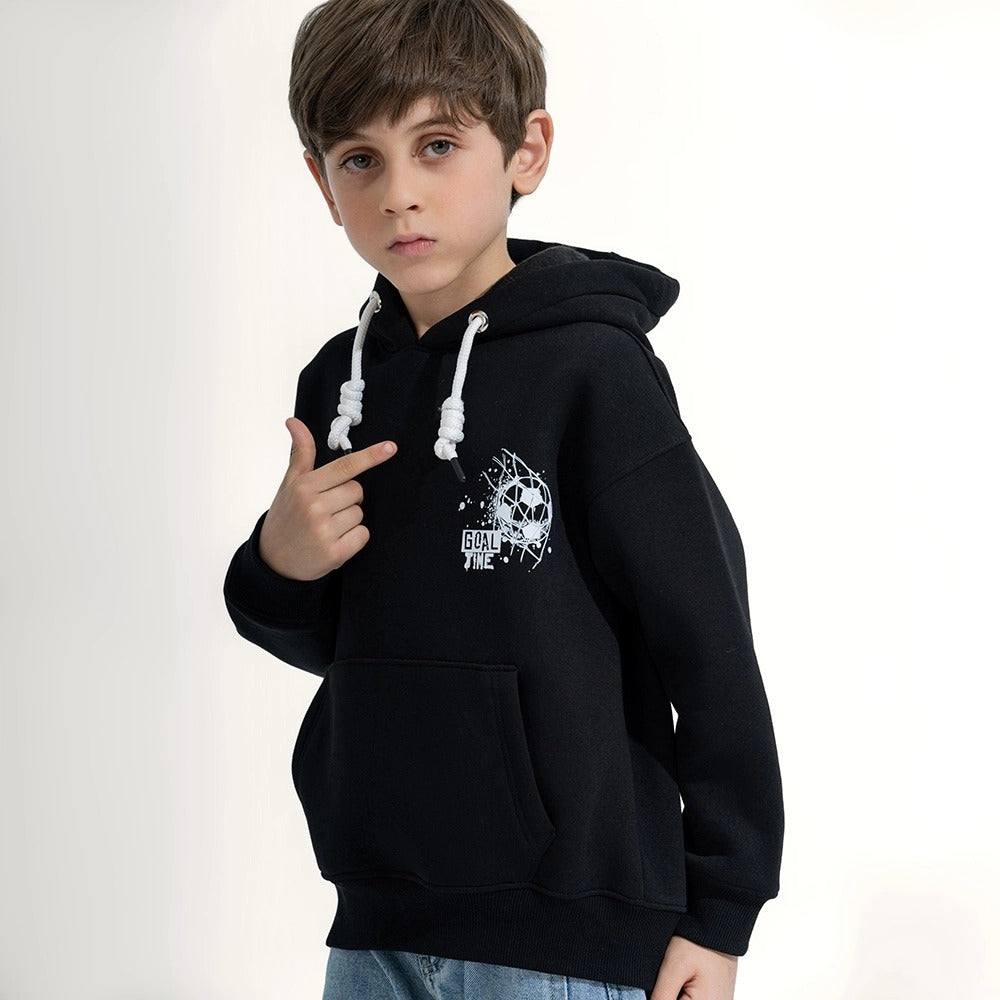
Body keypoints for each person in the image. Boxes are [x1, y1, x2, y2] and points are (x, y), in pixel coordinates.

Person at [222, 1, 785, 997]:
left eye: (436, 146)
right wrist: (279, 563)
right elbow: (349, 643)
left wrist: (722, 911)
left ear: (527, 151)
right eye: (360, 160)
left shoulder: (593, 373)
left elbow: (706, 642)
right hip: (377, 923)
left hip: (566, 942)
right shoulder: (338, 384)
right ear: (321, 182)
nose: (399, 195)